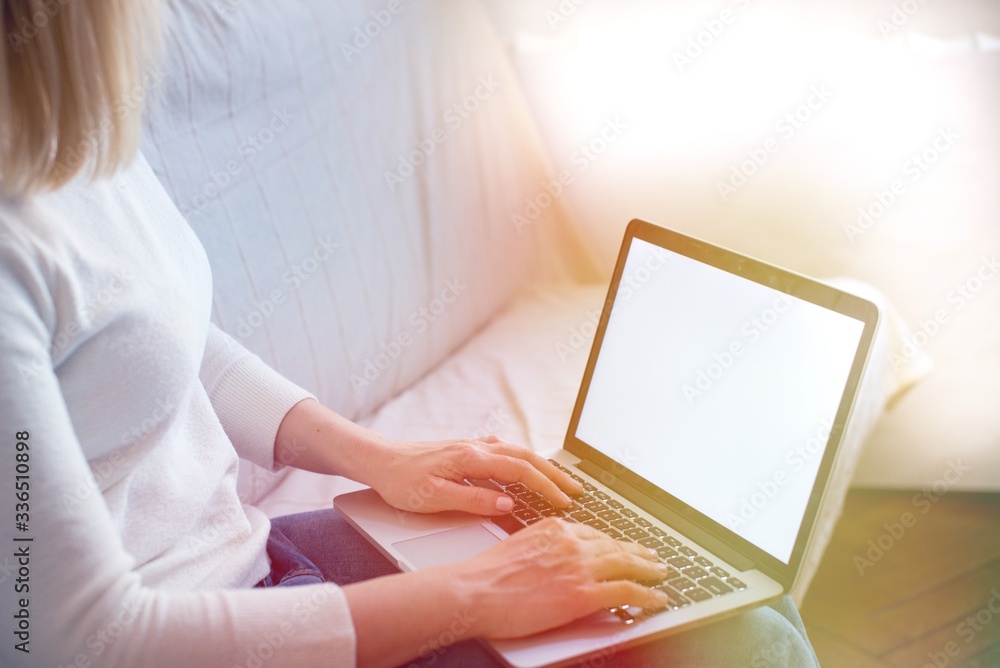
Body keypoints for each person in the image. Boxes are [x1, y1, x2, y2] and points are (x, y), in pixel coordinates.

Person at [0, 2, 821, 666]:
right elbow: (83, 642)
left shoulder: (69, 131)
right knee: (747, 645)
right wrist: (480, 593)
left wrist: (385, 461)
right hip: (196, 636)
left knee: (733, 594)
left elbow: (170, 346)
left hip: (260, 566)